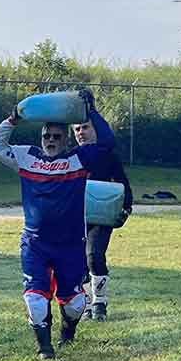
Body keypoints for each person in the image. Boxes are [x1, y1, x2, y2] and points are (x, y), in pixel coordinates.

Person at [0, 89, 118, 360]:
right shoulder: (26, 157)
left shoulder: (78, 160)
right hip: (35, 243)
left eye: (57, 137)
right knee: (35, 299)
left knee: (76, 304)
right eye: (47, 136)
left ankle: (68, 329)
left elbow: (107, 143)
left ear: (66, 139)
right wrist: (12, 119)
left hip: (70, 246)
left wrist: (90, 111)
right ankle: (44, 347)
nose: (51, 140)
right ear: (41, 137)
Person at [72, 119, 132, 320]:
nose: (81, 132)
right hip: (75, 217)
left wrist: (126, 208)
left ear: (95, 130)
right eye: (77, 129)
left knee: (94, 254)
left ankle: (100, 301)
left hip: (101, 216)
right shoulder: (71, 156)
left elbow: (122, 182)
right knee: (77, 260)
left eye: (85, 127)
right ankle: (86, 303)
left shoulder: (107, 155)